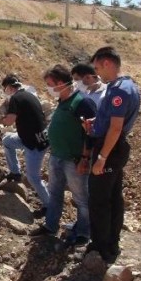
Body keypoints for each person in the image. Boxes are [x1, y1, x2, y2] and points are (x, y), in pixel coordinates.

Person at [30, 65, 96, 247]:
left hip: (74, 160)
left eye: (50, 85)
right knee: (55, 194)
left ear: (60, 83)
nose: (49, 89)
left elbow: (91, 133)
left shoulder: (82, 103)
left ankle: (83, 233)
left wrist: (85, 158)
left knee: (81, 198)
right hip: (57, 156)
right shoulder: (63, 101)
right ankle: (51, 226)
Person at [85, 47, 140, 263]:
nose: (97, 73)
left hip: (110, 148)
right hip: (114, 146)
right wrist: (96, 124)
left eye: (97, 68)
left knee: (99, 200)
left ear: (107, 63)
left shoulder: (119, 91)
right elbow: (112, 122)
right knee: (114, 197)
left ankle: (101, 247)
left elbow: (116, 128)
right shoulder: (127, 86)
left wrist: (101, 158)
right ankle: (112, 243)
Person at [0, 74, 50, 218]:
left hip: (34, 143)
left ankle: (49, 206)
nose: (5, 92)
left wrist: (1, 119)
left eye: (5, 88)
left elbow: (10, 120)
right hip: (34, 137)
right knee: (7, 141)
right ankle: (15, 173)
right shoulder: (29, 95)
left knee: (33, 178)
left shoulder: (15, 98)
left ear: (10, 87)